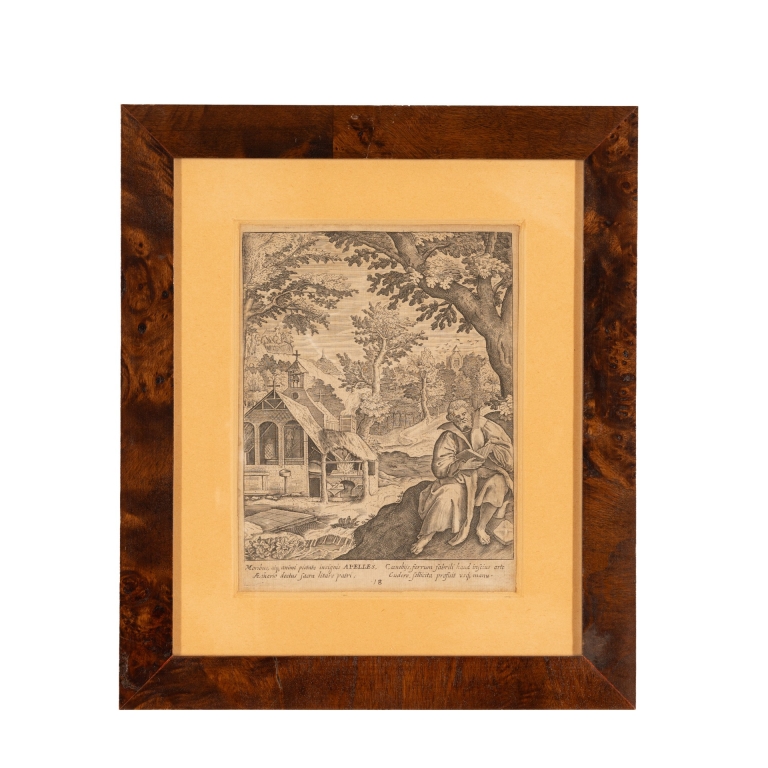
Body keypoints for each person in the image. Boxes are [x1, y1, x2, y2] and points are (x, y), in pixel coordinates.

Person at [410, 400, 513, 555]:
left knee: (498, 483)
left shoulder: (486, 426)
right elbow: (439, 467)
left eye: (464, 414)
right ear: (452, 419)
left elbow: (508, 455)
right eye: (457, 417)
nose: (462, 418)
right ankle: (426, 537)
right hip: (459, 480)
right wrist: (462, 465)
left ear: (469, 413)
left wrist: (492, 450)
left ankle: (481, 527)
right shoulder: (449, 435)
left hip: (485, 476)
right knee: (446, 496)